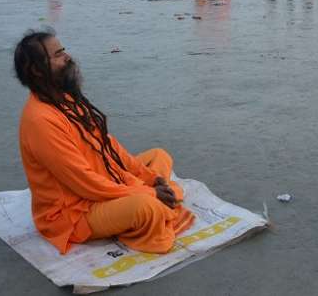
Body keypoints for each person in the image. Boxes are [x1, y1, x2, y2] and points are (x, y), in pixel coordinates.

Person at [14, 30, 195, 254]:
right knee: (146, 207)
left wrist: (151, 179)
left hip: (104, 182)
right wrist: (149, 193)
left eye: (64, 50)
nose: (68, 57)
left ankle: (153, 196)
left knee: (159, 156)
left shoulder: (67, 99)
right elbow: (85, 184)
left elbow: (111, 149)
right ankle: (154, 204)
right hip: (74, 212)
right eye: (58, 54)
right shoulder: (40, 121)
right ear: (36, 70)